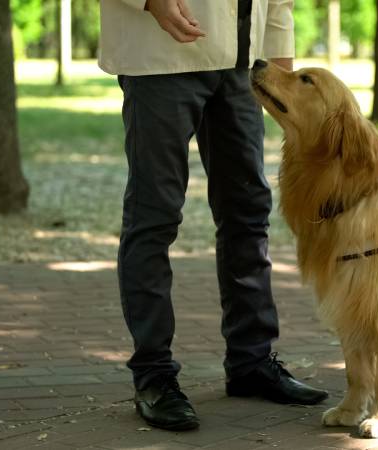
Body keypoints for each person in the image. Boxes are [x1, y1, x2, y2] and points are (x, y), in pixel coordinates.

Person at [98, 0, 328, 431]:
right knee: (156, 215)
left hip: (243, 63)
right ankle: (153, 374)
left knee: (248, 212)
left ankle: (251, 361)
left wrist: (282, 75)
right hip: (159, 54)